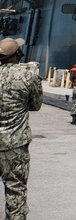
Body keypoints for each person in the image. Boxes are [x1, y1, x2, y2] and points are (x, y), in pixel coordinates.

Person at [0, 37, 42, 220]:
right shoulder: (28, 76)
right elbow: (36, 105)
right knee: (15, 191)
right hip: (14, 145)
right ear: (18, 53)